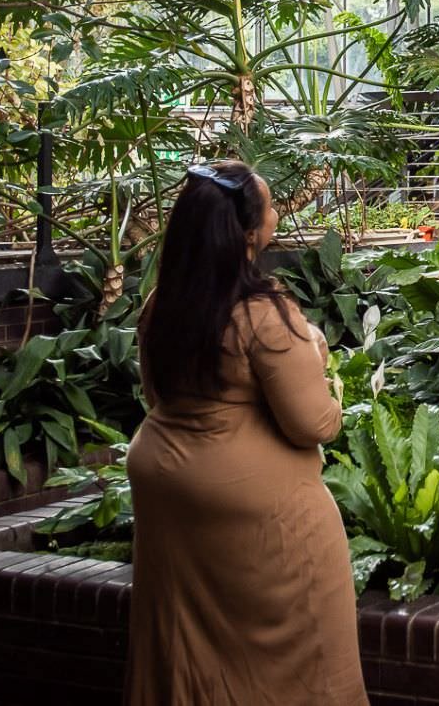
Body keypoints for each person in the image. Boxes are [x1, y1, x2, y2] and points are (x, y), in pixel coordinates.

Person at [125, 160, 367, 706]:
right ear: (248, 231)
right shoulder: (263, 314)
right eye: (271, 206)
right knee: (304, 666)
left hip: (168, 502)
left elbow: (156, 396)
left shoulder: (160, 305)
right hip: (259, 525)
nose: (278, 213)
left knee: (188, 657)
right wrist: (317, 353)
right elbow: (314, 424)